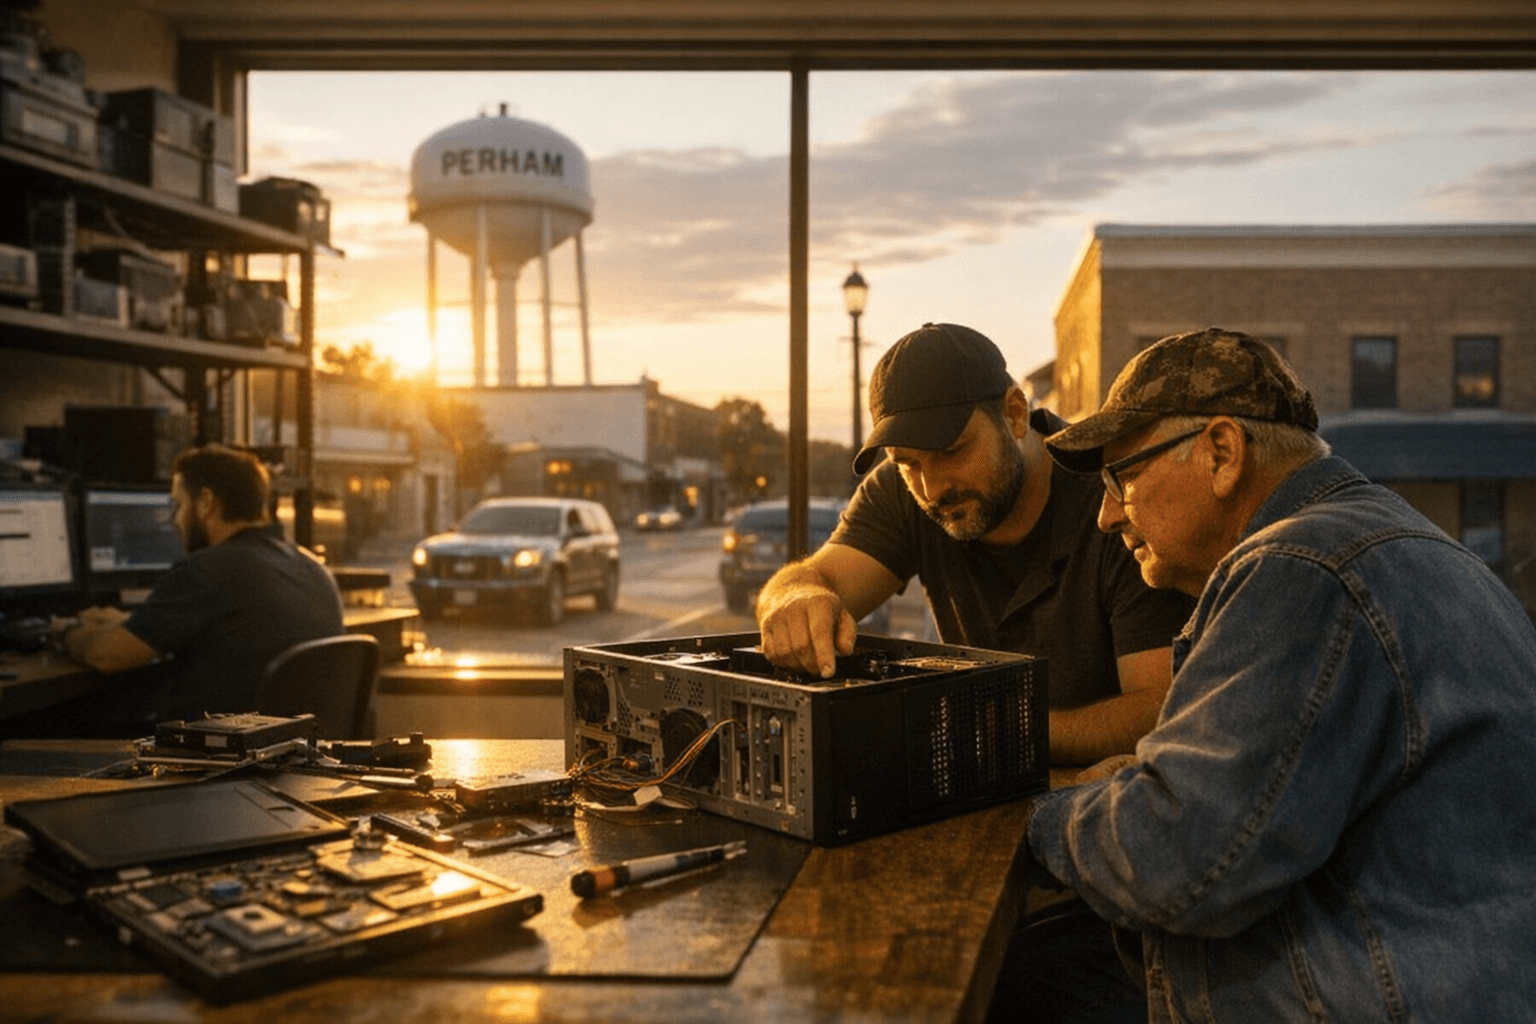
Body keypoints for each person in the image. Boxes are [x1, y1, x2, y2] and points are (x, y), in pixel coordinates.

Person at [1026, 327, 1536, 1020]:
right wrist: (1140, 787)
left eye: (1122, 477)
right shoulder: (1408, 545)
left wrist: (1041, 815)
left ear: (1222, 452)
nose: (1107, 515)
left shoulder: (1299, 567)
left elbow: (1179, 861)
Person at [756, 322, 1196, 766]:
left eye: (951, 451)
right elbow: (816, 578)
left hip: (1105, 792)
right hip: (978, 780)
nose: (932, 488)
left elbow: (1161, 709)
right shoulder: (902, 490)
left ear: (1015, 414)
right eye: (907, 463)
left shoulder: (1116, 498)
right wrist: (797, 598)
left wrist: (982, 732)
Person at [58, 444, 346, 732]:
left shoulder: (209, 568)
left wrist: (64, 632)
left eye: (179, 505)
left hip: (215, 752)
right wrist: (128, 623)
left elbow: (107, 655)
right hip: (294, 750)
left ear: (207, 502)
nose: (175, 520)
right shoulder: (313, 568)